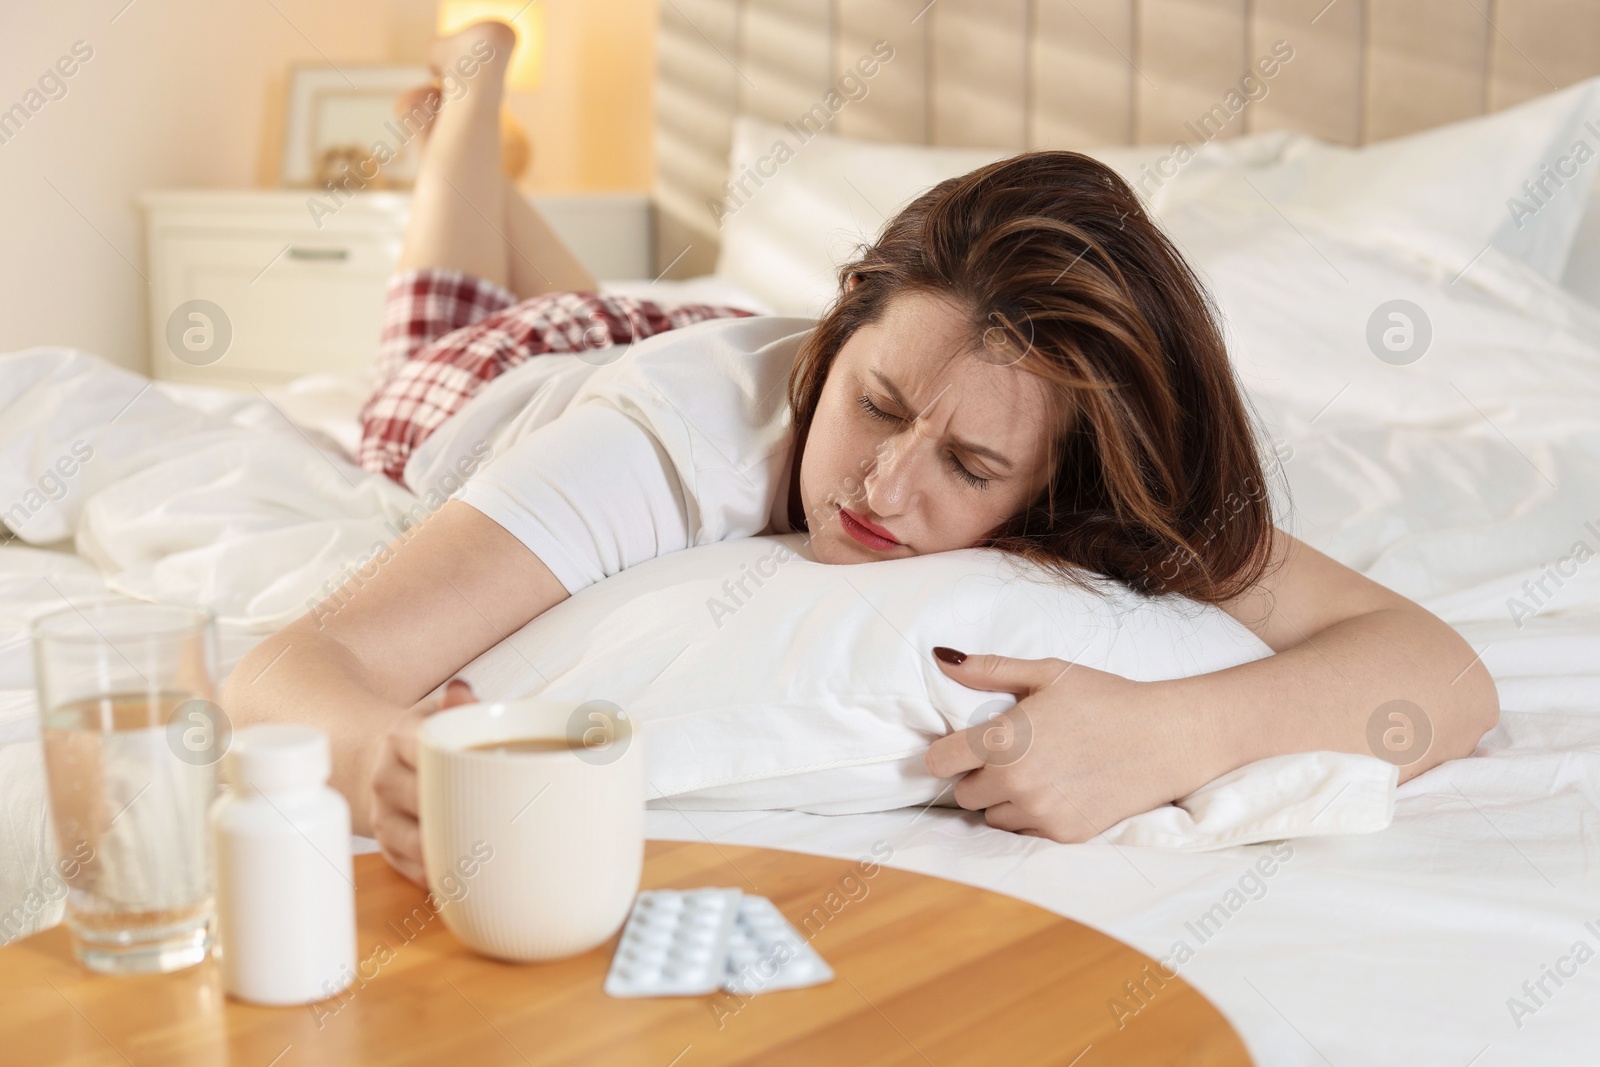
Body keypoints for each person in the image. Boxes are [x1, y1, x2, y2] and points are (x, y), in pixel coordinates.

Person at [222, 21, 1498, 885]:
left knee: (619, 309)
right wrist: (373, 755)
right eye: (878, 408)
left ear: (1056, 479)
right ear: (837, 334)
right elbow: (294, 665)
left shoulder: (1071, 447)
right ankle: (467, 112)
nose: (882, 491)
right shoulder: (657, 445)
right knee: (453, 329)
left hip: (678, 336)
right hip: (518, 381)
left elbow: (1439, 670)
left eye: (972, 469)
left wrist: (1179, 733)